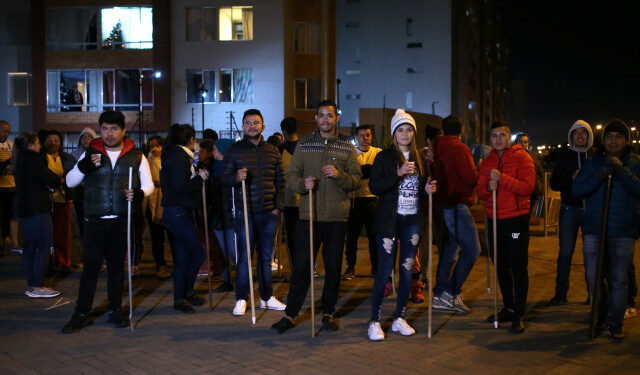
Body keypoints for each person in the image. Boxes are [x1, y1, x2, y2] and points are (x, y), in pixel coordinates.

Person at [271, 100, 362, 333]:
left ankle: (328, 312)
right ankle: (291, 314)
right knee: (301, 267)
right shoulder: (304, 144)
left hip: (336, 217)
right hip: (308, 216)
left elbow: (356, 180)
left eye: (329, 116)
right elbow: (291, 176)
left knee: (333, 269)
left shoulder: (346, 147)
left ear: (336, 118)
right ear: (315, 118)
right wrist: (303, 184)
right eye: (321, 116)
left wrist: (339, 174)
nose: (325, 120)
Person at [62, 111, 153, 333]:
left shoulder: (136, 155)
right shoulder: (91, 153)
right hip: (95, 220)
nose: (109, 133)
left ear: (122, 130)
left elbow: (149, 184)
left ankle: (115, 310)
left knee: (115, 268)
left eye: (113, 129)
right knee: (91, 268)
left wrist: (139, 193)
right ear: (99, 129)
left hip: (121, 219)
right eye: (104, 129)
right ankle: (82, 312)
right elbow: (71, 182)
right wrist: (85, 167)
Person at [366, 109, 436, 341]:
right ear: (394, 133)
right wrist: (397, 174)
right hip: (389, 223)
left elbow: (422, 191)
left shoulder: (421, 159)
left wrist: (427, 191)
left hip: (411, 222)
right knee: (385, 272)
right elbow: (375, 187)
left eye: (409, 130)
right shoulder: (384, 157)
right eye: (401, 130)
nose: (405, 134)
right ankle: (374, 322)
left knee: (407, 272)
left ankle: (399, 318)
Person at [572, 119, 640, 342]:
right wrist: (599, 175)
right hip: (594, 229)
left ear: (626, 140)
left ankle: (615, 324)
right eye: (609, 136)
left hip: (622, 231)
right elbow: (577, 189)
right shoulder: (593, 163)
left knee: (619, 280)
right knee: (593, 278)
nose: (613, 140)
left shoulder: (635, 163)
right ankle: (599, 317)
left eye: (618, 137)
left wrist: (621, 172)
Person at [221, 109, 286, 315]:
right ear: (243, 126)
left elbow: (280, 182)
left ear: (263, 127)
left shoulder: (273, 151)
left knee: (266, 258)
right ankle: (241, 298)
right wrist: (235, 178)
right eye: (248, 123)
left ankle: (266, 298)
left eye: (256, 123)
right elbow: (223, 178)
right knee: (245, 259)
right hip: (245, 212)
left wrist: (278, 208)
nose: (252, 127)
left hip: (268, 213)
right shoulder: (235, 150)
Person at [478, 120, 535, 334]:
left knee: (518, 266)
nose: (498, 139)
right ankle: (509, 307)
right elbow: (481, 192)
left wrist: (503, 180)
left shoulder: (522, 157)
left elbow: (528, 188)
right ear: (490, 139)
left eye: (502, 135)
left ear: (509, 137)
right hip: (494, 219)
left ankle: (519, 313)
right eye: (494, 136)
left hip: (515, 219)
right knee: (500, 265)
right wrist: (487, 186)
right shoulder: (487, 161)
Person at [430, 115, 480, 314]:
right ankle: (449, 293)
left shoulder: (436, 146)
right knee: (472, 250)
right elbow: (469, 176)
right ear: (462, 129)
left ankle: (439, 293)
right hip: (457, 202)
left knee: (450, 252)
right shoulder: (460, 148)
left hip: (442, 203)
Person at [160, 124, 210, 314]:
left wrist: (197, 157)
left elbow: (194, 166)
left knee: (183, 257)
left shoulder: (180, 155)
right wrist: (200, 179)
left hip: (181, 211)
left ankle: (182, 297)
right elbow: (182, 184)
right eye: (194, 139)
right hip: (178, 211)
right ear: (190, 139)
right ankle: (185, 293)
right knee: (197, 254)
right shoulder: (178, 157)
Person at [548, 120, 594, 305]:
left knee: (591, 255)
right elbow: (554, 184)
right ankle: (560, 294)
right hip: (569, 210)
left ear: (589, 135)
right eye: (577, 132)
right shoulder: (564, 158)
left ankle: (593, 294)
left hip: (591, 211)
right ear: (571, 136)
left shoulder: (595, 157)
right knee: (565, 253)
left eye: (584, 132)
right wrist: (571, 179)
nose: (580, 135)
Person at [13, 132, 62, 298]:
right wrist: (58, 179)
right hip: (38, 208)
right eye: (38, 143)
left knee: (30, 247)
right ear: (31, 145)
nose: (41, 146)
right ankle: (37, 285)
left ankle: (32, 285)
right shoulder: (34, 159)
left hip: (25, 208)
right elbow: (49, 177)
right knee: (43, 246)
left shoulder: (20, 159)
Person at [343, 125, 381, 279]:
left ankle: (376, 267)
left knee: (374, 236)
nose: (365, 138)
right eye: (362, 135)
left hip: (372, 199)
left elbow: (377, 171)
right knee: (352, 236)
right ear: (356, 137)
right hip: (355, 199)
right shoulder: (351, 154)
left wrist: (362, 171)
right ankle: (350, 267)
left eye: (368, 135)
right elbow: (353, 174)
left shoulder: (378, 152)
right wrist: (367, 170)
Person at [43, 130, 77, 273]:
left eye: (56, 140)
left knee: (63, 234)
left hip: (64, 200)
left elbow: (74, 176)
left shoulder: (67, 158)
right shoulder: (40, 158)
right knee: (47, 235)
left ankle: (63, 262)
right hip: (46, 201)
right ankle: (48, 263)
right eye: (49, 140)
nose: (53, 144)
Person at [145, 135, 175, 279]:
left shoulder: (168, 159)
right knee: (156, 236)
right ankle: (160, 265)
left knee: (173, 236)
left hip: (168, 202)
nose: (154, 148)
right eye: (151, 146)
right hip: (152, 203)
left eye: (157, 145)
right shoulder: (146, 161)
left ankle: (177, 264)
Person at [210, 138, 237, 292]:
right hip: (218, 216)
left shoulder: (232, 170)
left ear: (222, 152)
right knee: (223, 250)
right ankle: (227, 280)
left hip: (230, 216)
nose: (213, 152)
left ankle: (242, 281)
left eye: (215, 149)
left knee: (234, 251)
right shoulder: (214, 169)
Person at [279, 117, 300, 272]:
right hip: (306, 199)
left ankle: (295, 269)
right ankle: (307, 267)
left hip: (288, 200)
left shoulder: (280, 150)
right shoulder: (305, 148)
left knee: (292, 239)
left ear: (284, 131)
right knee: (306, 237)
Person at [71, 127, 97, 237]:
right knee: (82, 220)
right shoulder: (74, 154)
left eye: (89, 137)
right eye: (83, 137)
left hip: (95, 191)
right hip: (80, 192)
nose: (86, 139)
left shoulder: (99, 153)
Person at [0, 120, 19, 254]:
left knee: (13, 215)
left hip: (12, 186)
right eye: (3, 130)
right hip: (0, 185)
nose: (6, 134)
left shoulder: (12, 145)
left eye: (8, 131)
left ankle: (14, 243)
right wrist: (7, 162)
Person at [515, 133, 544, 214]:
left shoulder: (533, 157)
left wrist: (540, 189)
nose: (523, 144)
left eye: (525, 142)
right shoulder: (511, 156)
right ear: (516, 142)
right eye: (521, 142)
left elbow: (540, 173)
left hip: (532, 194)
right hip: (517, 195)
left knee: (526, 220)